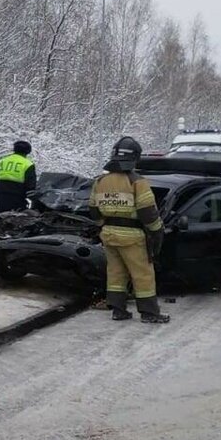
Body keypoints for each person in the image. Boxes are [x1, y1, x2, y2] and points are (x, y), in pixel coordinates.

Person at [88, 136, 170, 323]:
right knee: (143, 274)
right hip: (132, 236)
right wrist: (157, 231)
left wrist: (103, 225)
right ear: (135, 158)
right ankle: (149, 313)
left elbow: (93, 208)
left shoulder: (100, 181)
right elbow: (148, 212)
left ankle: (118, 310)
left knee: (116, 273)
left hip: (108, 234)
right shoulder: (137, 182)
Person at [0, 140, 37, 214]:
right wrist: (34, 199)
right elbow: (30, 186)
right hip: (17, 198)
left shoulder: (2, 161)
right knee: (18, 220)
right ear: (28, 151)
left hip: (0, 197)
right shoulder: (28, 164)